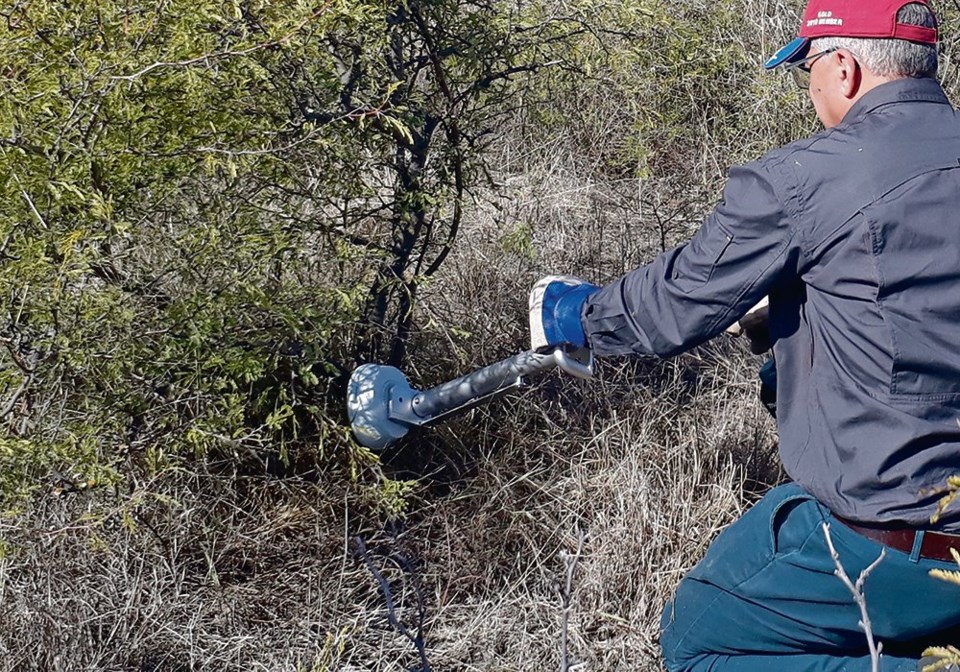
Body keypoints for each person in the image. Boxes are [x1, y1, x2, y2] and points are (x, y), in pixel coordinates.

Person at [529, 0, 960, 670]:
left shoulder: (806, 179)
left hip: (887, 537)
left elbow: (672, 307)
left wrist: (577, 314)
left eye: (809, 68)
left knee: (701, 644)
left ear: (843, 68)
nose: (811, 87)